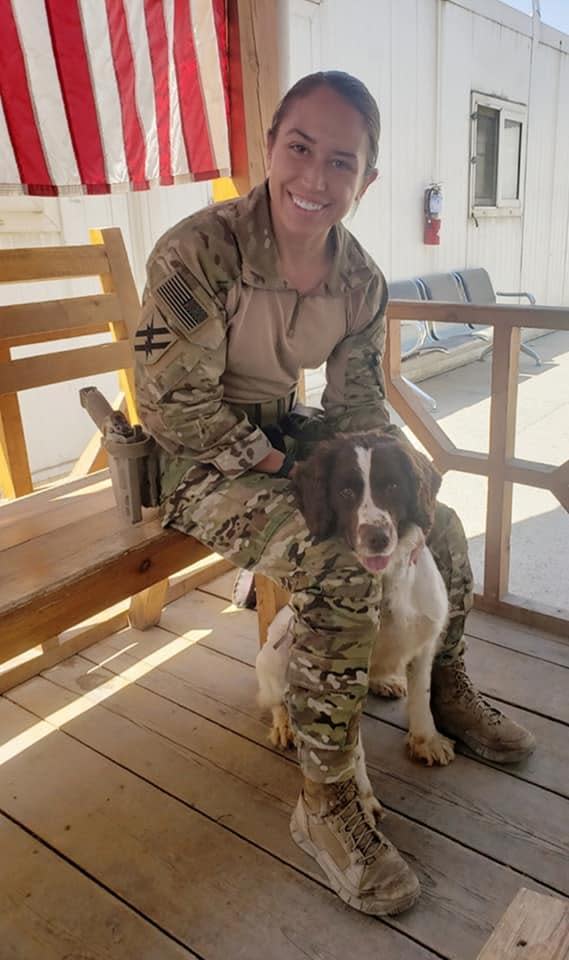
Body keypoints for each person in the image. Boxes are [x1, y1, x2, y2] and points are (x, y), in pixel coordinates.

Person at [134, 71, 535, 917]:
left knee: (438, 518)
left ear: (366, 179)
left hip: (285, 432)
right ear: (270, 147)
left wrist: (401, 483)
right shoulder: (194, 252)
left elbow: (354, 405)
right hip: (192, 457)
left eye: (340, 161)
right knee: (344, 562)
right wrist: (287, 472)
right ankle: (325, 803)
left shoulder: (359, 277)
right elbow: (173, 406)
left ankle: (445, 688)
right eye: (299, 148)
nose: (314, 178)